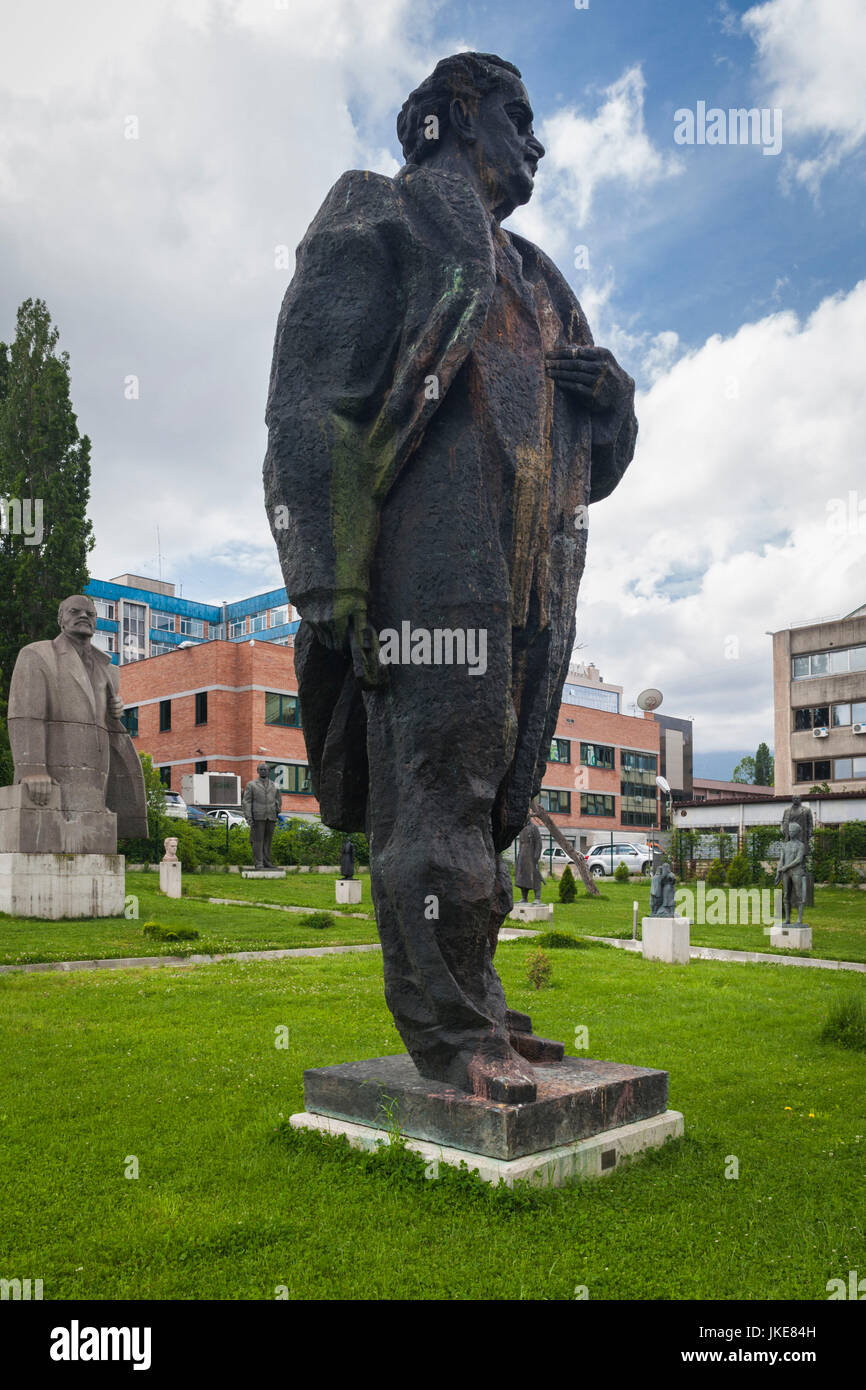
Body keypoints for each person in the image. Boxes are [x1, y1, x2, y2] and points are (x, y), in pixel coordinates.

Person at [264, 52, 636, 1102]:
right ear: (457, 114)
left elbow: (592, 460)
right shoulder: (377, 214)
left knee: (497, 802)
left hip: (530, 573)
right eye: (520, 115)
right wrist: (325, 575)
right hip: (427, 561)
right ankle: (448, 1033)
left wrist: (613, 403)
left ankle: (473, 1001)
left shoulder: (538, 274)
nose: (538, 140)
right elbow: (306, 397)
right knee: (434, 794)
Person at [7, 593, 147, 839]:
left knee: (92, 838)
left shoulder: (108, 669)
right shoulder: (37, 654)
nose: (84, 616)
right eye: (75, 611)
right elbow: (25, 715)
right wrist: (32, 769)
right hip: (56, 768)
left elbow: (101, 717)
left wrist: (113, 712)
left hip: (96, 771)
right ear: (61, 620)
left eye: (90, 614)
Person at [242, 764, 282, 869]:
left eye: (265, 769)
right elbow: (247, 802)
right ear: (258, 771)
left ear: (269, 771)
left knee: (268, 841)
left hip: (271, 816)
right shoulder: (251, 785)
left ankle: (267, 861)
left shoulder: (274, 785)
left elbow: (278, 799)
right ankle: (258, 862)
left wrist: (277, 810)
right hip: (257, 816)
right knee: (257, 840)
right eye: (261, 769)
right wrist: (249, 816)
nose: (263, 771)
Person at [774, 823, 807, 925]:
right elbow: (781, 859)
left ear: (797, 832)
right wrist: (778, 873)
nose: (791, 833)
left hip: (797, 872)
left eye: (793, 831)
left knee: (799, 895)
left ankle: (799, 919)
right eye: (790, 831)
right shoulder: (785, 845)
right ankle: (787, 919)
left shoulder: (801, 845)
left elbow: (799, 859)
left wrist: (786, 867)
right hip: (785, 873)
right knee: (786, 895)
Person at [515, 820, 543, 902]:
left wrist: (536, 856)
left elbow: (538, 842)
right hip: (523, 855)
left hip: (531, 855)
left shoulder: (534, 827)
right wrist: (519, 855)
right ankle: (524, 898)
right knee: (522, 876)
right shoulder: (522, 827)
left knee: (535, 876)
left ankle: (537, 898)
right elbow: (520, 843)